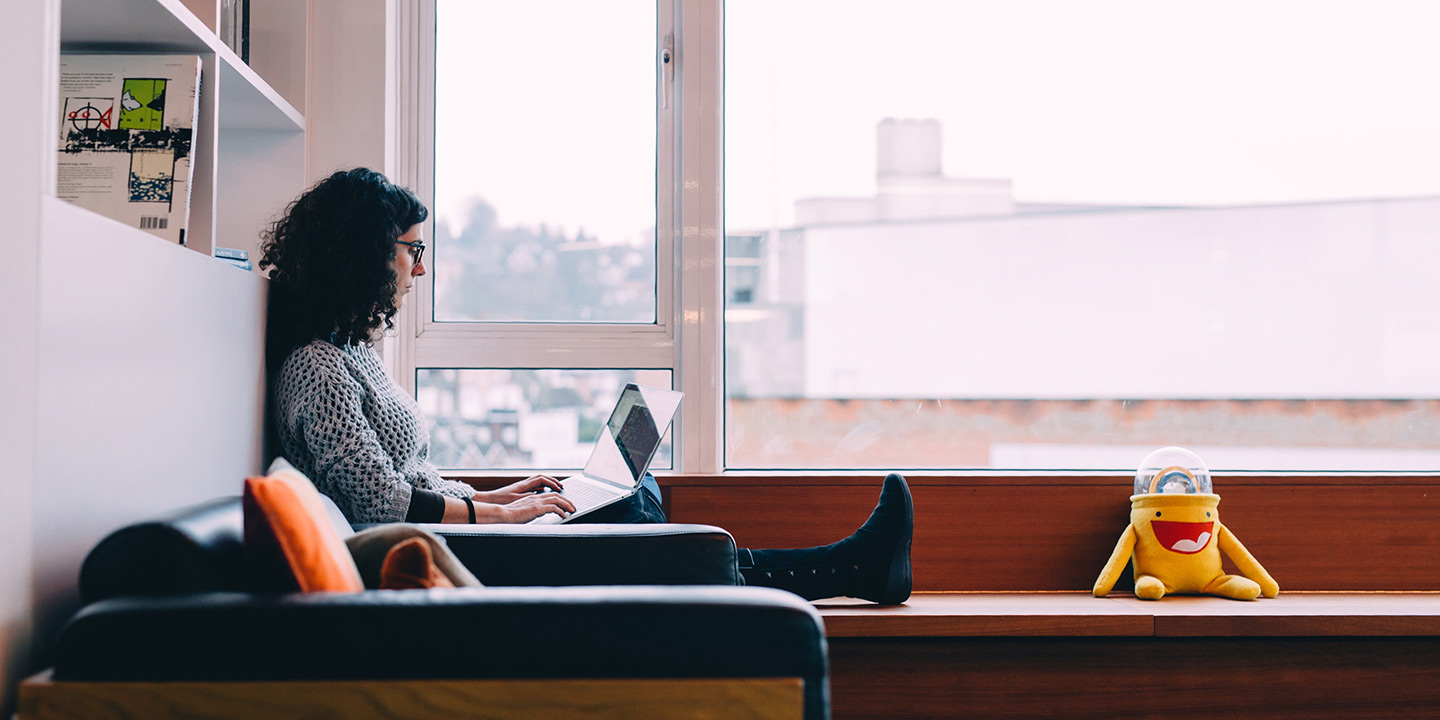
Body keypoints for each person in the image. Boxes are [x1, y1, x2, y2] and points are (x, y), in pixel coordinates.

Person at [260, 167, 913, 604]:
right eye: (411, 250)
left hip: (460, 530)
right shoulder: (316, 370)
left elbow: (417, 480)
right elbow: (385, 507)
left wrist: (503, 493)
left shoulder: (354, 354)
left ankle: (851, 567)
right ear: (364, 256)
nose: (419, 269)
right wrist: (506, 516)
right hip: (453, 550)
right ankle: (848, 567)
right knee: (632, 513)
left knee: (634, 492)